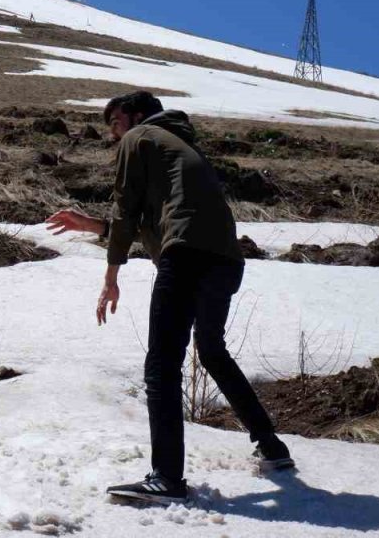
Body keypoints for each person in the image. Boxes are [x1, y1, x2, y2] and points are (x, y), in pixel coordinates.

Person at [46, 91, 293, 505]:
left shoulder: (139, 137)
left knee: (162, 365)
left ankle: (167, 479)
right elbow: (152, 221)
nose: (113, 131)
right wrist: (94, 226)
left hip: (187, 256)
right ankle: (271, 447)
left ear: (137, 114)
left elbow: (128, 210)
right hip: (226, 261)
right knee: (212, 350)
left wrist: (110, 277)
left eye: (115, 121)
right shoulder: (177, 144)